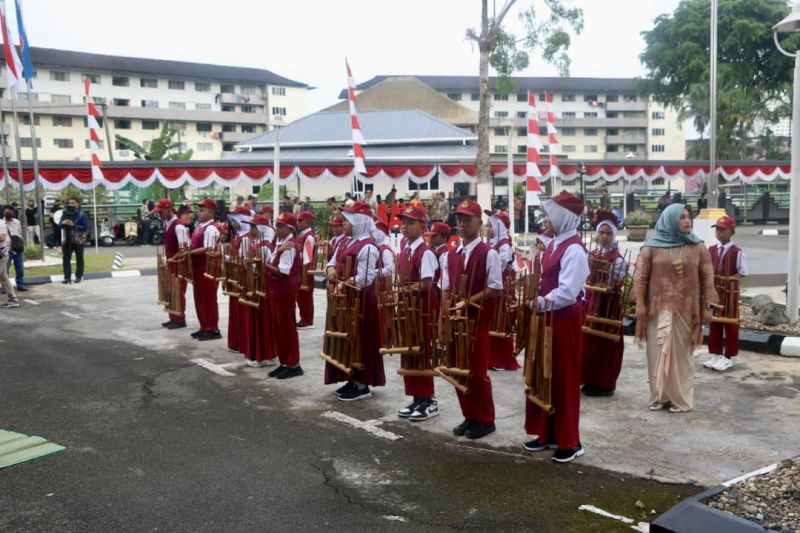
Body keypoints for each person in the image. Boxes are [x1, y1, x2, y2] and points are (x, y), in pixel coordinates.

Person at [523, 191, 590, 463]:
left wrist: (537, 303)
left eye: (550, 214)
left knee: (563, 378)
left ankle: (569, 441)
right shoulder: (553, 244)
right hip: (548, 317)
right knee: (544, 376)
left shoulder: (573, 248)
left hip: (562, 319)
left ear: (563, 218)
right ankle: (546, 433)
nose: (545, 219)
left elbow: (568, 292)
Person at [633, 203, 718, 413]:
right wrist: (640, 305)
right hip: (657, 311)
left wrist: (708, 307)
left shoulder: (699, 247)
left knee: (681, 358)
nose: (687, 220)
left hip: (686, 311)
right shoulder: (650, 247)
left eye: (688, 216)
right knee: (657, 354)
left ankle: (680, 399)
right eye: (681, 217)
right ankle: (660, 396)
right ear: (670, 219)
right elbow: (640, 280)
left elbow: (708, 280)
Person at [441, 200, 503, 440]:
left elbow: (495, 288)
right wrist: (446, 313)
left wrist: (468, 302)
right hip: (456, 322)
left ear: (479, 222)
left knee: (477, 372)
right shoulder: (451, 254)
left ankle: (486, 419)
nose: (462, 224)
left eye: (468, 219)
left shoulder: (489, 253)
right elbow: (445, 287)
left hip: (477, 323)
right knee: (459, 370)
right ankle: (469, 414)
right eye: (460, 219)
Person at [324, 201, 385, 401]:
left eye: (348, 221)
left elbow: (365, 277)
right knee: (348, 340)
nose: (344, 224)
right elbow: (332, 262)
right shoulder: (344, 242)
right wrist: (331, 270)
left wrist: (345, 283)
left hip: (361, 300)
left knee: (362, 340)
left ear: (359, 222)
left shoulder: (368, 247)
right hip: (344, 299)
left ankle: (362, 383)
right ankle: (351, 377)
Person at [396, 205, 440, 421]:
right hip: (407, 309)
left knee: (421, 353)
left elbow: (426, 284)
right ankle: (416, 397)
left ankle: (428, 400)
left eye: (410, 222)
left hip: (421, 312)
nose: (405, 226)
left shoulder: (426, 253)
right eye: (403, 222)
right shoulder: (405, 249)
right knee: (408, 352)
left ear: (422, 226)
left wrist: (405, 289)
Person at [580, 210, 627, 396]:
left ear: (614, 235)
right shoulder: (590, 254)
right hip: (591, 303)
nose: (604, 237)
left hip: (608, 307)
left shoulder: (618, 260)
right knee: (589, 345)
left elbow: (617, 284)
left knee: (605, 345)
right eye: (601, 232)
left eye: (608, 233)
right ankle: (590, 379)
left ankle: (605, 383)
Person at [704, 215, 747, 372]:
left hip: (729, 293)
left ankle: (728, 356)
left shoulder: (738, 252)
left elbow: (742, 272)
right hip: (715, 291)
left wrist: (727, 280)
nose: (719, 233)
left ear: (731, 231)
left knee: (730, 324)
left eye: (722, 230)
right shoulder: (711, 250)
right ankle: (716, 353)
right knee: (714, 322)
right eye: (717, 230)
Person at [264, 212, 304, 379]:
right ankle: (285, 361)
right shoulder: (283, 244)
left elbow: (283, 271)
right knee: (279, 328)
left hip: (284, 292)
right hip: (278, 292)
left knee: (287, 328)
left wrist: (264, 265)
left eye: (280, 226)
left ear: (289, 228)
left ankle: (293, 363)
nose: (276, 228)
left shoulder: (289, 246)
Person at [484, 210, 519, 371]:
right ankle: (490, 356)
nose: (487, 228)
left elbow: (501, 266)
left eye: (491, 225)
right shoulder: (492, 244)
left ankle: (500, 358)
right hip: (490, 287)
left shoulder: (504, 245)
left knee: (500, 321)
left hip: (500, 288)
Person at [244, 213, 278, 368]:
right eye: (250, 227)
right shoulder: (256, 245)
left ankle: (265, 355)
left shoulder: (265, 247)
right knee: (257, 321)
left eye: (254, 227)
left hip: (262, 289)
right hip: (255, 286)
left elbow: (266, 269)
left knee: (263, 322)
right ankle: (261, 353)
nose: (251, 230)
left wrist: (251, 265)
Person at [189, 198, 222, 341]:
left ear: (211, 212)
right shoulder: (199, 227)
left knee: (208, 299)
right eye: (199, 209)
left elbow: (209, 248)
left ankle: (212, 328)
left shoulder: (211, 228)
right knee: (200, 298)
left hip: (207, 268)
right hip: (198, 268)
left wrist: (190, 253)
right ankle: (203, 326)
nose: (199, 212)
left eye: (202, 209)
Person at [153, 198, 188, 330]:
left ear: (169, 210)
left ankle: (180, 319)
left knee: (178, 292)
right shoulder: (166, 223)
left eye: (161, 212)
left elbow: (184, 248)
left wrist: (173, 258)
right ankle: (172, 317)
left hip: (178, 263)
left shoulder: (178, 226)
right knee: (169, 291)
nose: (159, 215)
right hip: (171, 263)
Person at [226, 206, 254, 353]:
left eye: (235, 220)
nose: (232, 223)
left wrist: (226, 257)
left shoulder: (246, 238)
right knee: (235, 310)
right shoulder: (238, 236)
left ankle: (242, 342)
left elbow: (244, 261)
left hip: (242, 278)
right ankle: (236, 341)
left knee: (241, 311)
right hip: (235, 277)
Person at [59, 197, 89, 284]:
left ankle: (79, 276)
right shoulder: (64, 213)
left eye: (73, 203)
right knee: (66, 259)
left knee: (79, 258)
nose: (71, 205)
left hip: (78, 240)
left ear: (77, 204)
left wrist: (73, 225)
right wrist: (63, 223)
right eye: (69, 203)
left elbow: (86, 227)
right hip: (67, 239)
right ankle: (67, 277)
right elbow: (60, 225)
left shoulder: (82, 214)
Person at [3, 205, 26, 292]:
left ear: (13, 212)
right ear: (3, 212)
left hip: (18, 248)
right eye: (6, 211)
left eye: (10, 211)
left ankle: (20, 284)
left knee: (20, 268)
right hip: (6, 249)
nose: (8, 213)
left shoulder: (17, 222)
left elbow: (20, 234)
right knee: (5, 269)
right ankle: (5, 286)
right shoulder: (1, 223)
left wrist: (20, 245)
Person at [0, 210, 20, 308]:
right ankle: (13, 299)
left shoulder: (1, 224)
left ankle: (13, 299)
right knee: (3, 277)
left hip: (1, 254)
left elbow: (2, 238)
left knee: (3, 277)